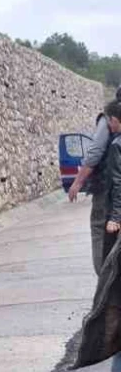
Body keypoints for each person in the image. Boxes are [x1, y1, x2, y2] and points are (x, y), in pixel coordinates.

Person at [68, 87, 121, 274]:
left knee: (99, 230)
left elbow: (95, 153)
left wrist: (78, 182)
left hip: (106, 188)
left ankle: (105, 279)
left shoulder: (108, 119)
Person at [96, 101, 121, 263]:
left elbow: (118, 183)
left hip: (117, 213)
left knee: (111, 263)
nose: (109, 126)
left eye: (109, 121)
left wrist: (115, 218)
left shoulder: (116, 145)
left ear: (115, 119)